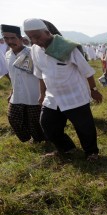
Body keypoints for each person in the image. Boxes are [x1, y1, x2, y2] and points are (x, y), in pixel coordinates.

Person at [23, 18, 102, 161]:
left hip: (75, 96)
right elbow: (40, 75)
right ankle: (67, 148)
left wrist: (94, 90)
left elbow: (87, 71)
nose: (34, 40)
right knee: (47, 124)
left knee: (84, 127)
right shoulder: (35, 50)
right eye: (30, 37)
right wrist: (42, 94)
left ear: (47, 32)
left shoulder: (67, 47)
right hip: (52, 97)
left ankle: (91, 152)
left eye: (37, 36)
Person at [1, 24, 45, 143]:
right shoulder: (8, 54)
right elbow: (13, 76)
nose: (10, 41)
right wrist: (12, 92)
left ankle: (41, 141)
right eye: (6, 38)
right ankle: (28, 139)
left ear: (20, 38)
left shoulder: (32, 53)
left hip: (34, 95)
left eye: (13, 38)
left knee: (35, 122)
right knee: (13, 118)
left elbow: (43, 75)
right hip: (17, 95)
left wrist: (43, 94)